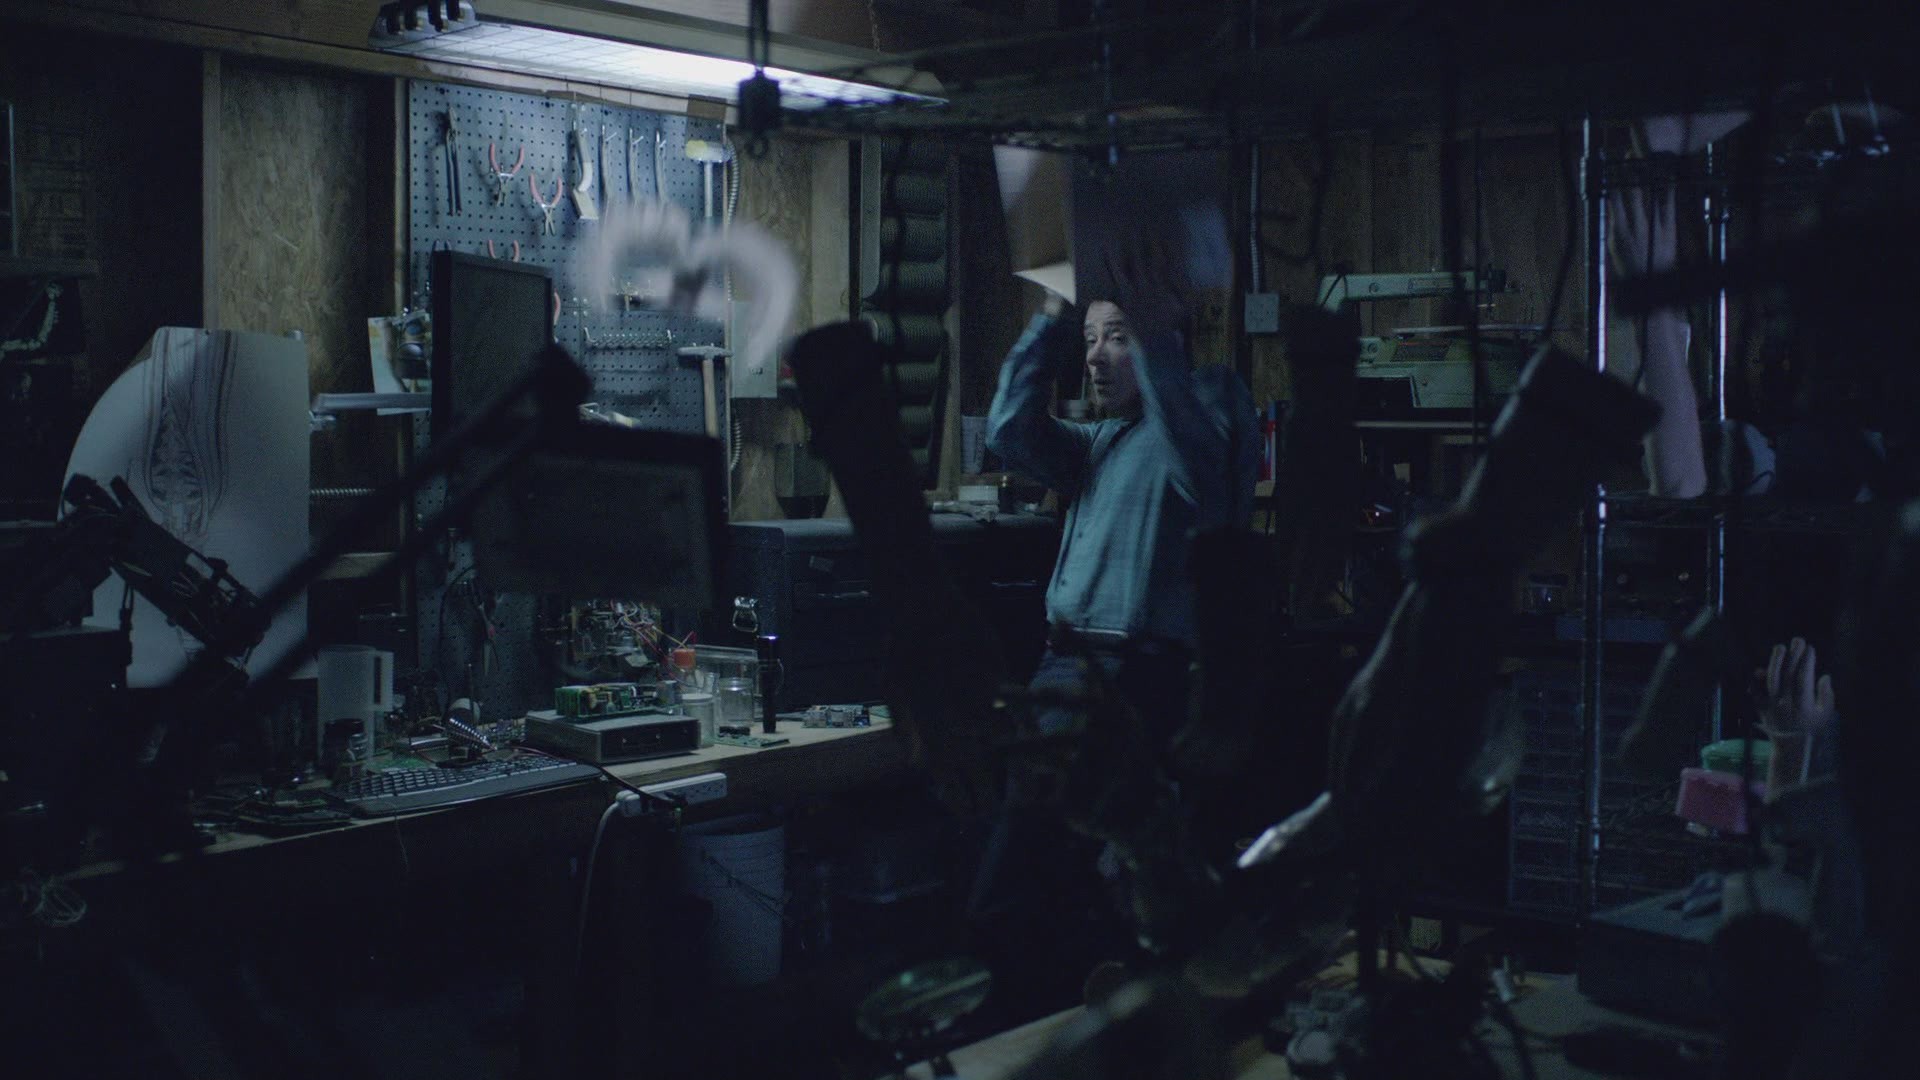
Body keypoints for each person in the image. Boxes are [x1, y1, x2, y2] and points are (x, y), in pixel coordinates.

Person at [987, 289, 1258, 742]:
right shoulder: (1097, 441)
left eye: (1116, 337)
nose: (1095, 357)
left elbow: (1196, 465)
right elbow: (1006, 430)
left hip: (1145, 671)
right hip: (1064, 661)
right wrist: (1053, 316)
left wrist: (1151, 327)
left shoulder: (1214, 398)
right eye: (1089, 339)